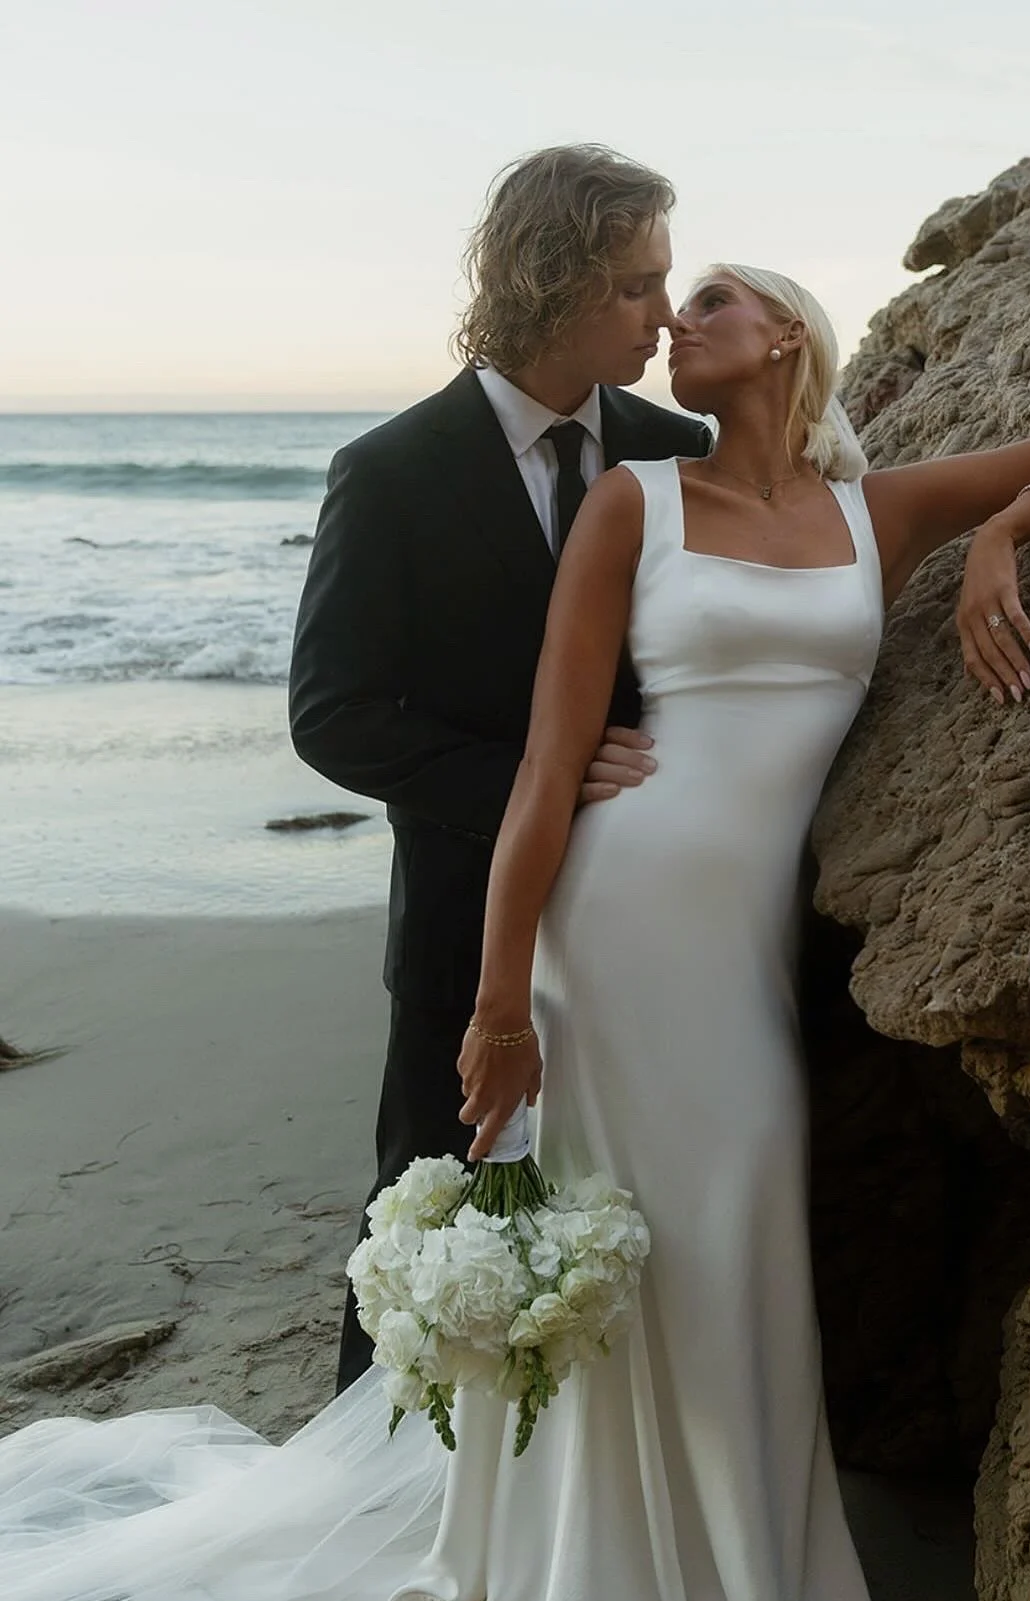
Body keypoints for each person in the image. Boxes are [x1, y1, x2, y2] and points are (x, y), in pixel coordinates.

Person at [0, 266, 1030, 1601]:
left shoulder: (877, 512)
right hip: (604, 930)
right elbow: (551, 774)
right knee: (622, 1243)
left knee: (731, 1240)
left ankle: (748, 1590)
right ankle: (611, 1588)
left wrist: (1006, 530)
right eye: (664, 302)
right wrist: (497, 1005)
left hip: (735, 953)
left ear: (786, 336)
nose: (678, 320)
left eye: (712, 300)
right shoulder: (634, 502)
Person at [287, 143, 710, 1392]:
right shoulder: (392, 473)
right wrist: (542, 782)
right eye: (638, 286)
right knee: (426, 1213)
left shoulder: (676, 448)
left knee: (616, 1200)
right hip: (463, 920)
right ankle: (370, 1489)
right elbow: (336, 715)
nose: (666, 315)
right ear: (556, 282)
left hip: (645, 919)